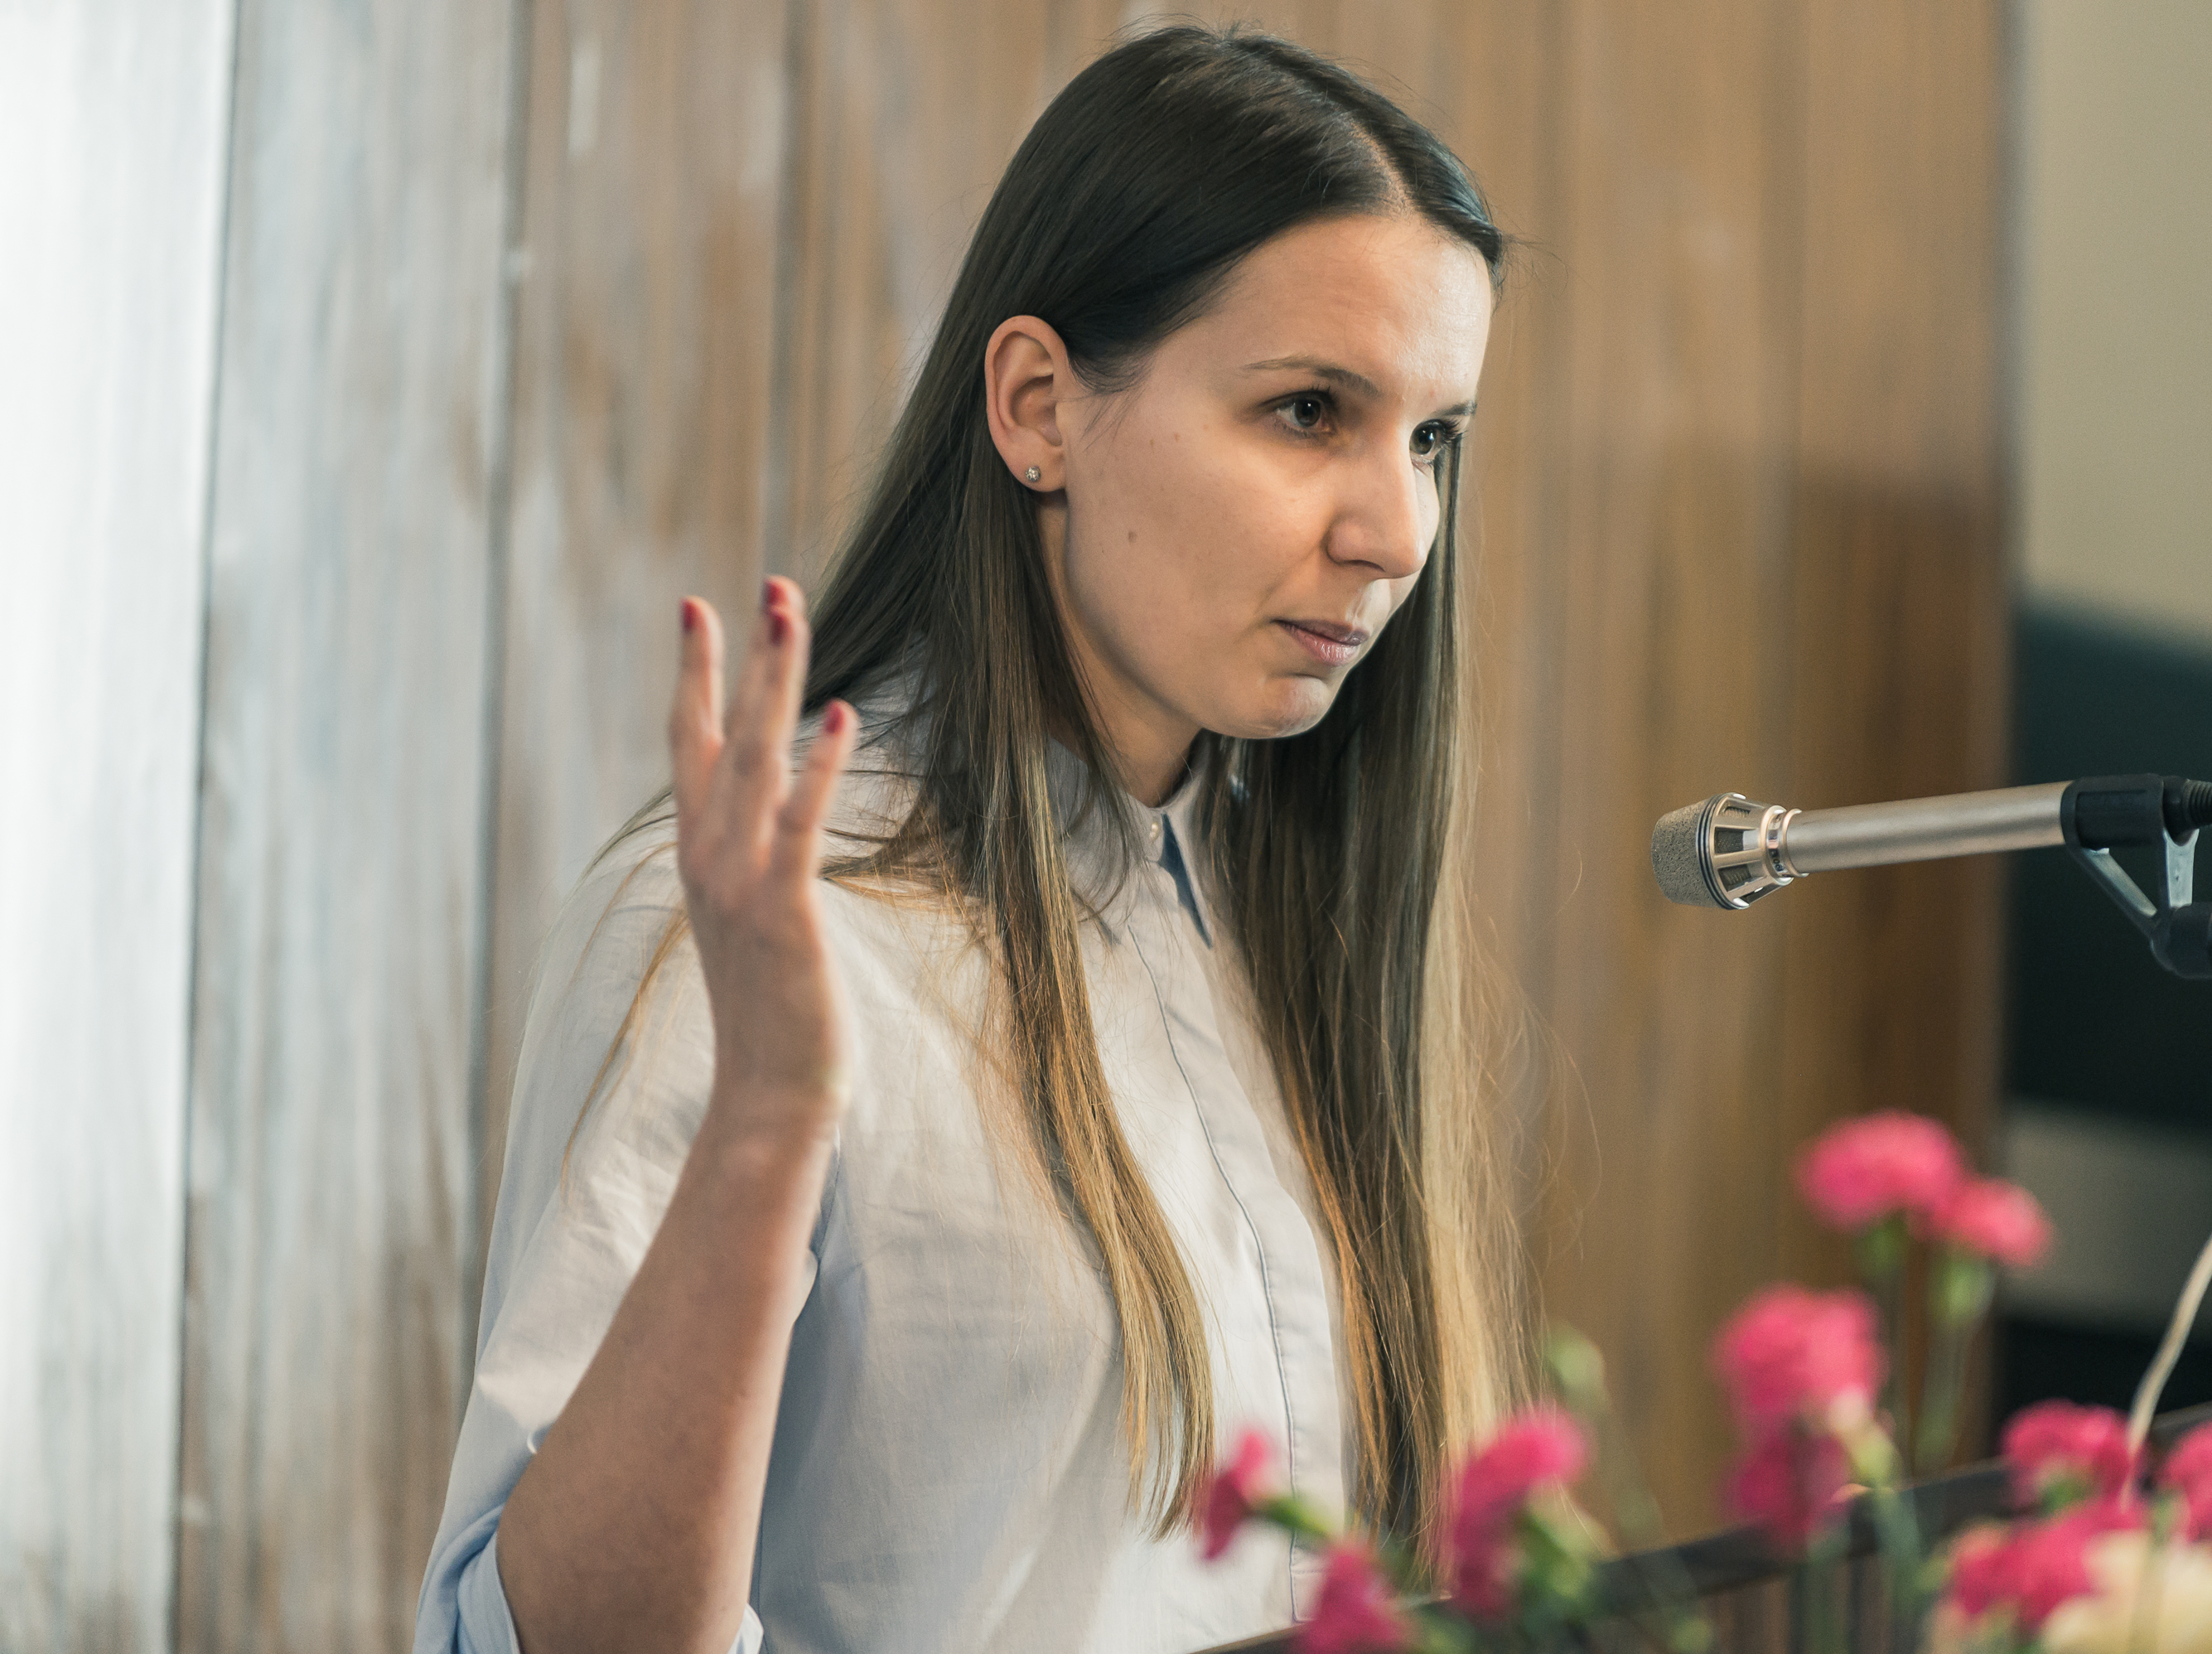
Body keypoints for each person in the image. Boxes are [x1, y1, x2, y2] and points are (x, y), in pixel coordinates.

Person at [415, 25, 1520, 1654]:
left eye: (1434, 440)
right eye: (1307, 410)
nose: (1398, 532)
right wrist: (766, 1126)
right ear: (1036, 406)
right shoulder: (762, 922)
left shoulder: (1296, 930)